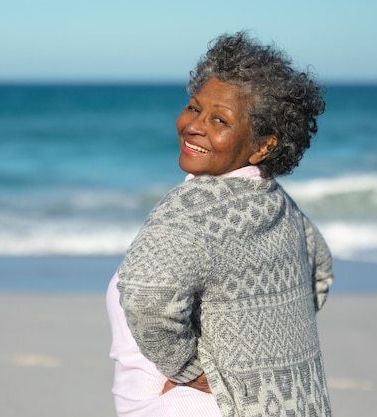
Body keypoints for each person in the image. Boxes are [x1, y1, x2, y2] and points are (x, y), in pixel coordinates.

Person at [106, 31, 334, 417]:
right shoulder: (276, 202)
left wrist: (187, 371)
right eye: (194, 108)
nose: (194, 126)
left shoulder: (192, 208)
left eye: (219, 120)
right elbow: (320, 273)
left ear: (263, 146)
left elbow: (146, 298)